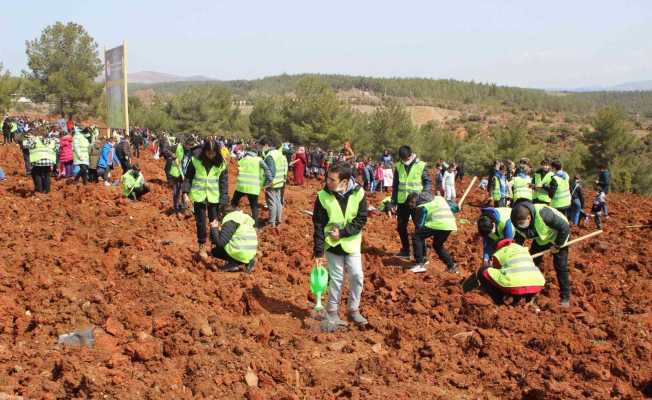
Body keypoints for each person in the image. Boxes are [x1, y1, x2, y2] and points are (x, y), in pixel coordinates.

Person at [313, 163, 368, 332]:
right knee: (336, 278)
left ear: (344, 181)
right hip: (333, 245)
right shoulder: (322, 196)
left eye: (332, 179)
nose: (327, 181)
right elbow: (318, 225)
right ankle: (332, 312)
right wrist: (318, 252)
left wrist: (343, 233)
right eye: (327, 177)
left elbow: (361, 219)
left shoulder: (359, 193)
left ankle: (353, 309)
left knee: (357, 275)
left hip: (351, 243)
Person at [511, 202, 571, 308]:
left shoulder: (544, 214)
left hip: (559, 236)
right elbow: (519, 237)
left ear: (529, 217)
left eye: (521, 223)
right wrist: (517, 252)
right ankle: (528, 293)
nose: (520, 226)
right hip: (541, 239)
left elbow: (564, 228)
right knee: (531, 264)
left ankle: (565, 297)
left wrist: (557, 245)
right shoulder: (517, 222)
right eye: (518, 224)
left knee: (560, 266)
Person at [184, 139, 228, 260]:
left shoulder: (221, 164)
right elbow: (188, 177)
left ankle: (215, 247)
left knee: (214, 223)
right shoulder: (195, 161)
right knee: (201, 223)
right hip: (199, 196)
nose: (211, 156)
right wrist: (185, 193)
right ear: (204, 151)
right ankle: (202, 246)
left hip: (214, 197)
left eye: (213, 153)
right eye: (208, 153)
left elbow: (224, 184)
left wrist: (223, 200)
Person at [389, 145, 431, 258]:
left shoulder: (421, 165)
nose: (404, 161)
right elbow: (395, 185)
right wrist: (393, 202)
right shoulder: (398, 166)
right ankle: (405, 251)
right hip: (402, 202)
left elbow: (427, 183)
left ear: (411, 155)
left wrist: (423, 197)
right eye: (402, 159)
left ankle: (422, 255)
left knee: (419, 228)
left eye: (406, 158)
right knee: (401, 227)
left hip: (417, 203)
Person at [475, 239, 545, 305]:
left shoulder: (500, 251)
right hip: (537, 283)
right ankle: (522, 299)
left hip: (515, 285)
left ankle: (499, 300)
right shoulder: (522, 249)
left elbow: (497, 270)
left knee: (483, 271)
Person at [406, 192, 458, 273]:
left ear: (414, 201)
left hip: (438, 223)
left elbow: (419, 225)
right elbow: (455, 207)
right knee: (437, 245)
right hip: (450, 224)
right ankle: (451, 266)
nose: (411, 206)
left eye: (411, 203)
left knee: (417, 236)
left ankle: (419, 264)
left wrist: (418, 232)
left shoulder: (421, 207)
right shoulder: (439, 198)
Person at [231, 145, 272, 226]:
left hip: (241, 186)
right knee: (254, 207)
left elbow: (237, 167)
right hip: (253, 188)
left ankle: (230, 219)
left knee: (233, 203)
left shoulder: (243, 159)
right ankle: (255, 225)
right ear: (256, 153)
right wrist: (270, 179)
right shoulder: (259, 160)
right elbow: (267, 169)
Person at [209, 207, 257, 273]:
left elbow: (220, 243)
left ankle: (235, 262)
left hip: (241, 252)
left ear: (222, 215)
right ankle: (247, 261)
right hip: (250, 253)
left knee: (215, 251)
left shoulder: (230, 220)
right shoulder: (243, 219)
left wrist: (214, 229)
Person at [259, 137, 288, 227]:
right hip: (280, 181)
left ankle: (271, 222)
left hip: (272, 182)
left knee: (271, 202)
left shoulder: (270, 156)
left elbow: (271, 171)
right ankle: (278, 220)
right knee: (278, 201)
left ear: (266, 145)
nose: (261, 148)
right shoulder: (280, 154)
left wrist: (266, 184)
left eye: (261, 146)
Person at [166, 135, 198, 213]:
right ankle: (176, 208)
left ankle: (185, 207)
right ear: (185, 143)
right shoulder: (178, 146)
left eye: (191, 145)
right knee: (176, 191)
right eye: (188, 145)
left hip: (188, 173)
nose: (189, 147)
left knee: (186, 190)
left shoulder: (194, 150)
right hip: (177, 172)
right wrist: (173, 155)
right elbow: (166, 149)